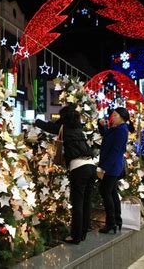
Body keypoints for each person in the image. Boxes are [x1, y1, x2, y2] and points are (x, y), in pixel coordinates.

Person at [35, 104, 96, 245]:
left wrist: (36, 121)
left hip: (79, 168)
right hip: (91, 166)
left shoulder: (64, 128)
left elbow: (48, 126)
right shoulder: (78, 128)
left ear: (64, 117)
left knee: (78, 203)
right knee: (86, 202)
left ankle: (75, 237)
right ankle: (84, 232)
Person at [97, 107, 135, 234]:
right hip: (112, 165)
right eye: (113, 115)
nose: (113, 117)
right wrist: (101, 126)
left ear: (122, 117)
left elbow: (115, 151)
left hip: (112, 166)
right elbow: (107, 136)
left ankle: (111, 222)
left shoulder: (121, 130)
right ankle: (117, 220)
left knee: (105, 191)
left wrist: (104, 168)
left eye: (115, 115)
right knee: (111, 192)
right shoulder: (116, 129)